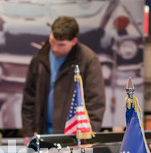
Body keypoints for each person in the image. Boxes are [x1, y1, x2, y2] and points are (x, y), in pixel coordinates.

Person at [21, 16, 105, 144]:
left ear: (74, 41)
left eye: (61, 45)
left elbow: (95, 103)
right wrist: (28, 132)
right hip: (42, 133)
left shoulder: (88, 60)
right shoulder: (40, 58)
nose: (54, 48)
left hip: (73, 136)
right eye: (52, 41)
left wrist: (88, 136)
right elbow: (29, 99)